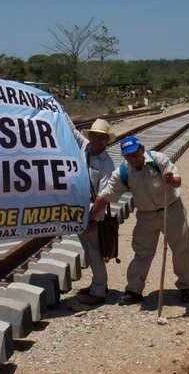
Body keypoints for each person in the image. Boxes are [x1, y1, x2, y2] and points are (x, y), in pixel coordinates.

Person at [89, 135, 189, 305]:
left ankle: (185, 288)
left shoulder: (158, 159)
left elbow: (177, 181)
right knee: (142, 252)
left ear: (142, 149)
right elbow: (105, 196)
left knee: (181, 248)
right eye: (128, 156)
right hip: (146, 215)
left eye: (135, 154)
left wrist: (171, 180)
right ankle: (134, 290)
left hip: (171, 209)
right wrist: (89, 218)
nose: (133, 158)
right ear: (124, 157)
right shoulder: (122, 172)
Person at [68, 117, 117, 305]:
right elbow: (71, 129)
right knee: (88, 251)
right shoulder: (85, 146)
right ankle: (98, 284)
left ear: (106, 140)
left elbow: (103, 196)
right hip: (80, 209)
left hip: (93, 212)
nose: (97, 140)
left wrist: (90, 219)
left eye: (101, 137)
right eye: (94, 136)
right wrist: (55, 105)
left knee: (95, 251)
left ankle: (99, 291)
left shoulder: (107, 163)